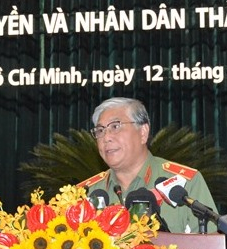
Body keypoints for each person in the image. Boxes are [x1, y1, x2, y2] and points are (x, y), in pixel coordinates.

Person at [78, 97, 218, 233]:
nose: (106, 137)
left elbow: (209, 245)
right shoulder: (84, 194)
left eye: (115, 126)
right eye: (100, 130)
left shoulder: (185, 184)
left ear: (143, 132)